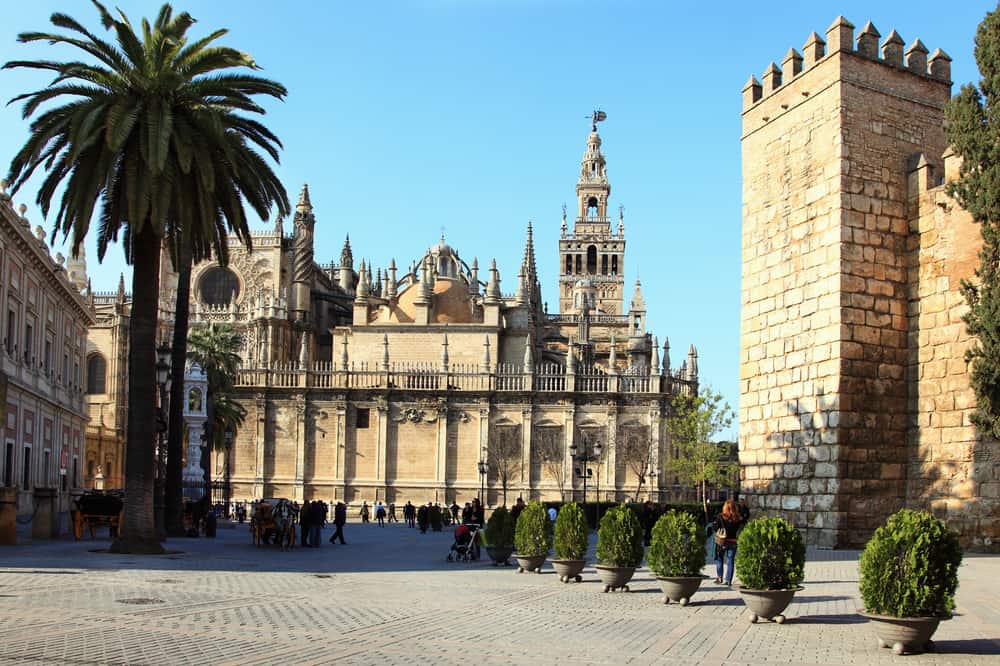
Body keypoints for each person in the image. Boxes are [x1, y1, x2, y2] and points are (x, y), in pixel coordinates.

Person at [713, 498, 745, 585]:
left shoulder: (721, 517)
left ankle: (720, 578)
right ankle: (728, 580)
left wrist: (715, 524)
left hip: (722, 541)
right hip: (733, 541)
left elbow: (715, 528)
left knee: (719, 559)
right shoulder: (738, 518)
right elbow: (742, 526)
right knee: (730, 560)